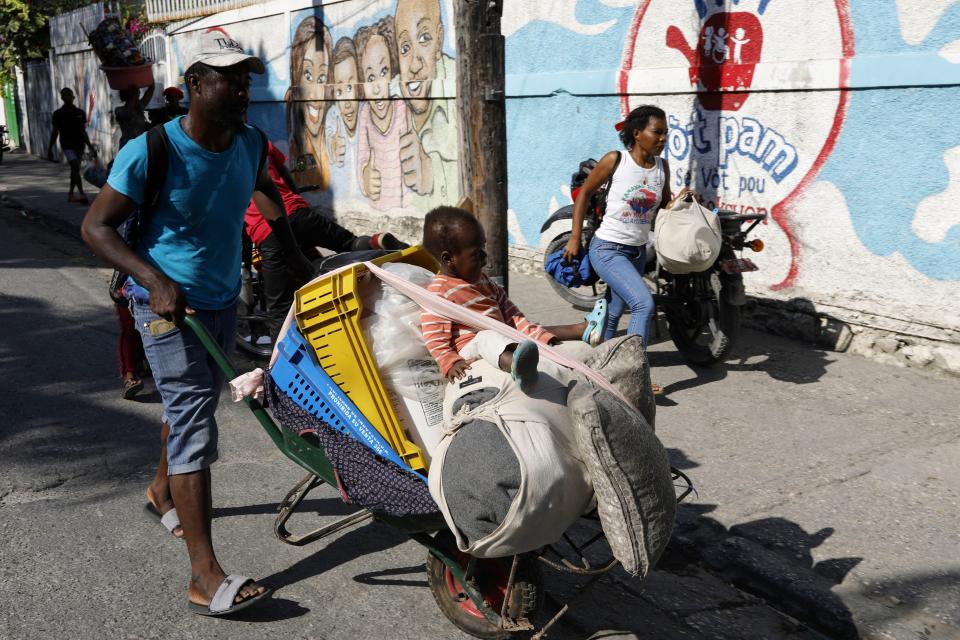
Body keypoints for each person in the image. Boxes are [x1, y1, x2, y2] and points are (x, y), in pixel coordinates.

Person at [81, 29, 315, 617]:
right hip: (162, 304)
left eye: (245, 80)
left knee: (193, 408)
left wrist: (298, 258)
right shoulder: (151, 150)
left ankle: (161, 490)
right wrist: (155, 281)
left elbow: (267, 196)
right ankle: (204, 576)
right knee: (193, 421)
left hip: (218, 298)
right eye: (226, 79)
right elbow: (95, 228)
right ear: (194, 86)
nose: (240, 90)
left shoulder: (251, 144)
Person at [563, 105, 696, 395]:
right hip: (607, 248)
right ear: (637, 133)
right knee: (643, 304)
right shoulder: (616, 160)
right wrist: (575, 238)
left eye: (665, 134)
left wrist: (683, 200)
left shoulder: (662, 167)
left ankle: (599, 372)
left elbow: (662, 205)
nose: (662, 139)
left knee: (613, 312)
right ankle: (633, 376)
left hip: (636, 252)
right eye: (657, 132)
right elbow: (585, 192)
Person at [421, 206, 606, 392]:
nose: (485, 258)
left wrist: (536, 335)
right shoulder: (439, 292)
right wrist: (450, 362)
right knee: (485, 337)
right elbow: (434, 337)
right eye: (477, 254)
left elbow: (512, 316)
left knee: (527, 328)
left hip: (501, 336)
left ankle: (583, 330)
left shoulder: (485, 281)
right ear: (448, 259)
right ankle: (516, 367)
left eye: (484, 247)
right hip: (471, 347)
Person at [245, 139, 405, 337]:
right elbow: (284, 172)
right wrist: (294, 197)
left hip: (269, 230)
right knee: (349, 243)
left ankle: (280, 362)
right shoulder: (258, 140)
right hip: (299, 212)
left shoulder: (223, 153)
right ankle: (376, 242)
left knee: (279, 307)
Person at [392, 0, 459, 208]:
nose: (414, 64)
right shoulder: (388, 101)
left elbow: (480, 171)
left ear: (439, 41)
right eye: (405, 48)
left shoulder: (461, 87)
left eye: (424, 38)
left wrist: (433, 172)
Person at [355, 17, 412, 210]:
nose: (378, 87)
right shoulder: (364, 115)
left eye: (384, 71)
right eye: (370, 77)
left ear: (393, 73)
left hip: (403, 208)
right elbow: (362, 158)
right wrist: (365, 177)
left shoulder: (401, 108)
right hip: (376, 208)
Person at [286, 16, 333, 191]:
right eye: (307, 75)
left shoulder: (333, 137)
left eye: (322, 78)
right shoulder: (292, 146)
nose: (314, 94)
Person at [47, 88, 96, 204]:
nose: (67, 97)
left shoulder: (80, 113)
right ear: (62, 98)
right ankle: (82, 194)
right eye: (65, 95)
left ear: (73, 97)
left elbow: (83, 132)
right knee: (74, 166)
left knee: (75, 169)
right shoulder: (58, 114)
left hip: (79, 145)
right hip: (67, 145)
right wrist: (50, 148)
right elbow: (55, 132)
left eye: (69, 95)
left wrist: (90, 146)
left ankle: (70, 193)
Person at [115, 83, 155, 149]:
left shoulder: (139, 108)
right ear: (128, 95)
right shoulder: (120, 111)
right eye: (136, 92)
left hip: (141, 146)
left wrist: (150, 80)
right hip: (128, 147)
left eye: (137, 91)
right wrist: (133, 93)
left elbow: (150, 90)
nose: (139, 93)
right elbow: (128, 111)